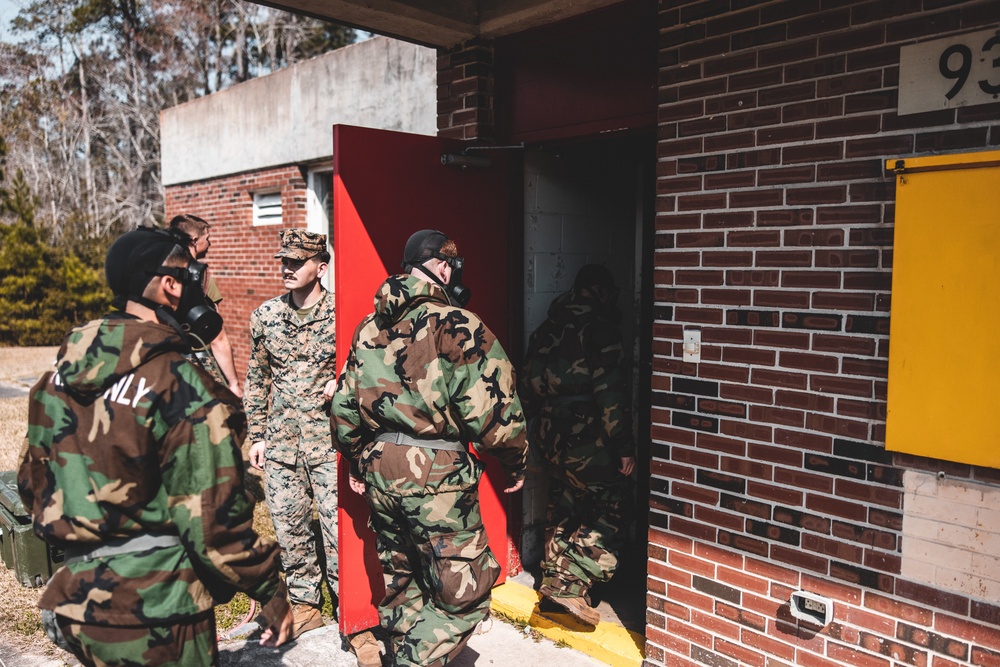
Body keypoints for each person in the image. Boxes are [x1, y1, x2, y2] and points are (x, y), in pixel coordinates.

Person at [17, 227, 293, 667]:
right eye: (189, 275)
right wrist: (271, 591)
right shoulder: (178, 383)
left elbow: (31, 485)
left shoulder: (56, 379)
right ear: (169, 285)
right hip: (157, 614)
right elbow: (213, 525)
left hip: (75, 605)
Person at [331, 229, 528, 667]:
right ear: (443, 266)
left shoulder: (369, 326)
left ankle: (407, 650)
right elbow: (496, 411)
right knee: (467, 593)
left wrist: (355, 461)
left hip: (381, 467)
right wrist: (516, 462)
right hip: (436, 473)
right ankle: (415, 661)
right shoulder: (458, 324)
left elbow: (344, 403)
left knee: (405, 579)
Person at [243, 229, 384, 663]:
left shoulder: (346, 315)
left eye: (296, 262)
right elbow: (257, 378)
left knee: (339, 531)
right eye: (282, 261)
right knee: (290, 527)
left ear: (321, 268)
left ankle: (354, 613)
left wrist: (341, 383)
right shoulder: (265, 316)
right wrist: (258, 433)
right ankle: (306, 605)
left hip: (331, 444)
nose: (286, 269)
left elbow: (370, 371)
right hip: (284, 443)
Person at [520, 263, 636, 627]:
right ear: (600, 291)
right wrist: (623, 446)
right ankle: (573, 584)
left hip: (551, 432)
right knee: (614, 507)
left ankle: (556, 582)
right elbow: (610, 394)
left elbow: (526, 385)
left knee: (568, 504)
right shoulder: (601, 330)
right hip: (587, 436)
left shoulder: (545, 329)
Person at [168, 213, 244, 398]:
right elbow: (217, 338)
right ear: (194, 241)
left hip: (167, 365)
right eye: (207, 239)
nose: (209, 244)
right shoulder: (202, 279)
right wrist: (233, 384)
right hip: (200, 365)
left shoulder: (160, 277)